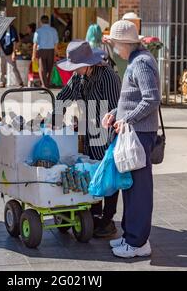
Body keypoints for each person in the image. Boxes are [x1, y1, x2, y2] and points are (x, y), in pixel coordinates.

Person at [102, 20, 161, 258]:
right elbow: (131, 99)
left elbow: (151, 99)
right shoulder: (135, 61)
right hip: (133, 133)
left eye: (115, 43)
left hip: (140, 135)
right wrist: (115, 114)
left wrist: (128, 119)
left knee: (138, 190)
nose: (114, 47)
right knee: (130, 186)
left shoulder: (142, 63)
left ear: (124, 43)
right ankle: (130, 237)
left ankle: (138, 242)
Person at [55, 40, 122, 237]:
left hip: (106, 130)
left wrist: (105, 133)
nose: (73, 70)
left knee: (107, 173)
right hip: (89, 128)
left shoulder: (107, 76)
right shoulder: (79, 76)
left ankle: (108, 219)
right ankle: (94, 212)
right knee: (93, 170)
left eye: (76, 66)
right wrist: (54, 119)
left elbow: (114, 108)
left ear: (88, 62)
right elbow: (63, 97)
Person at [32, 15, 59, 88]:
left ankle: (44, 85)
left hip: (41, 50)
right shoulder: (53, 30)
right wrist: (56, 53)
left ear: (41, 22)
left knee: (41, 68)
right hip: (51, 50)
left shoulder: (38, 31)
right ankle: (47, 84)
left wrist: (33, 55)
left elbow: (35, 44)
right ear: (48, 21)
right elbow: (56, 43)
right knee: (49, 68)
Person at [0, 23, 24, 88]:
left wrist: (14, 53)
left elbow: (14, 42)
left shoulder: (12, 29)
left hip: (10, 51)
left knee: (14, 68)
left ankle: (20, 82)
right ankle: (2, 82)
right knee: (1, 68)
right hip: (2, 50)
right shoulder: (1, 30)